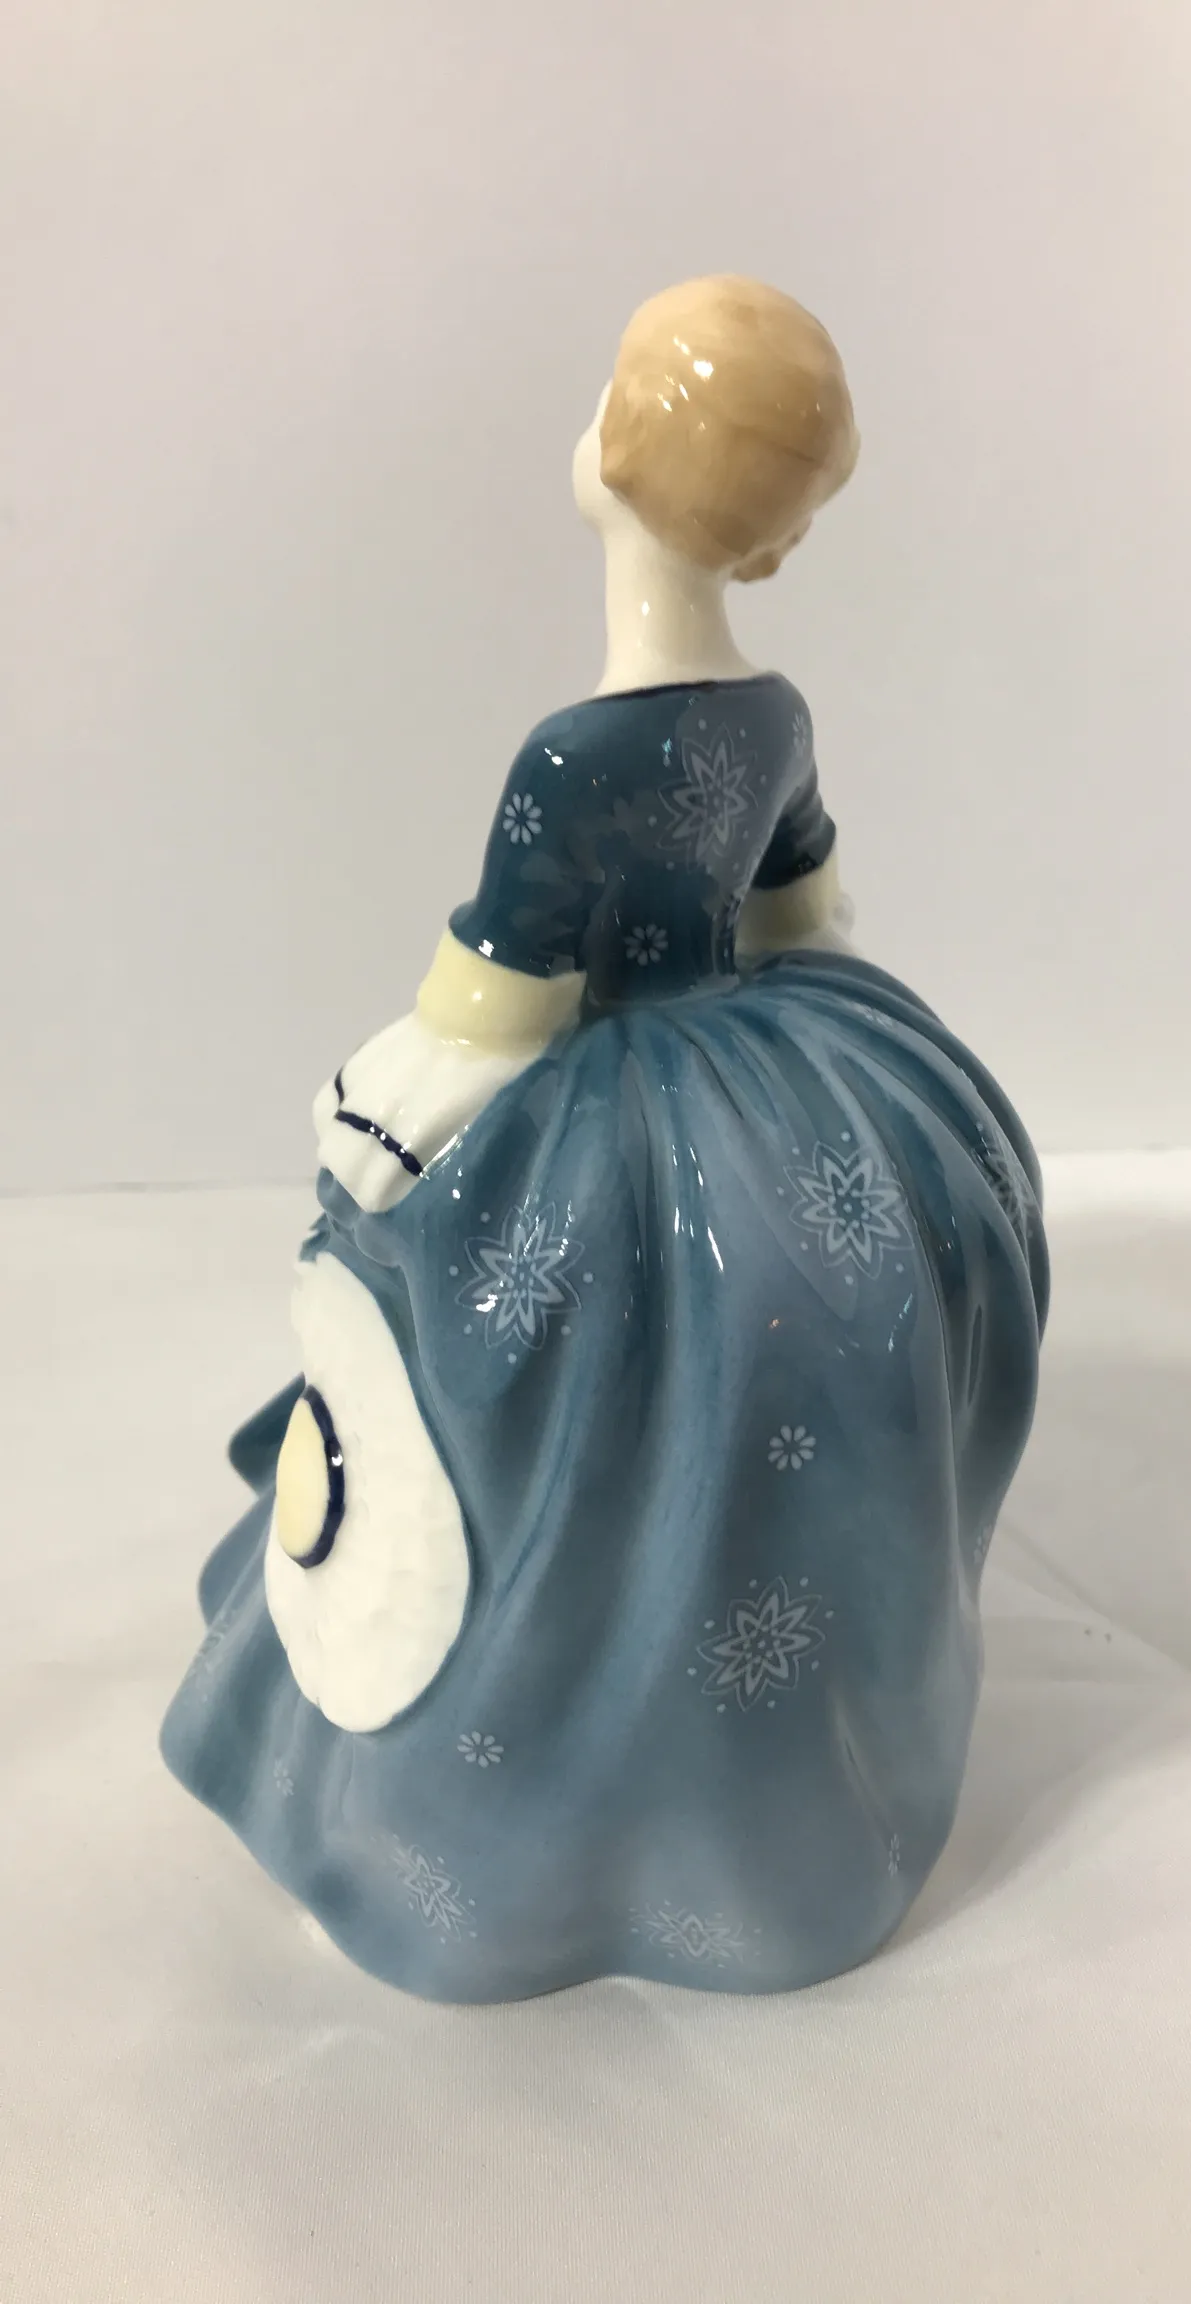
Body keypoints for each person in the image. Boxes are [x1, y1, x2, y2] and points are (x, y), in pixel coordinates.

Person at [162, 276, 1048, 2000]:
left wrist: (382, 1126)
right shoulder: (775, 716)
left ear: (612, 454)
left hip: (616, 1092)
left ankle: (508, 1781)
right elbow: (802, 915)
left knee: (513, 1337)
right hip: (769, 1059)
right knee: (772, 1351)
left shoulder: (568, 764)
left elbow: (494, 1001)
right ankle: (756, 1760)